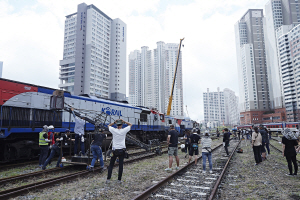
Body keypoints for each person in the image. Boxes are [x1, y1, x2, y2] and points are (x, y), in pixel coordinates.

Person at [106, 119, 132, 184]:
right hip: (122, 150)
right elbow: (130, 124)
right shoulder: (124, 130)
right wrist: (124, 121)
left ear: (117, 125)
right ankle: (119, 180)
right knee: (120, 165)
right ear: (122, 125)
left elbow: (108, 125)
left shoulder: (113, 130)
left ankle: (108, 179)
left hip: (114, 150)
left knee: (111, 165)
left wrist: (114, 122)